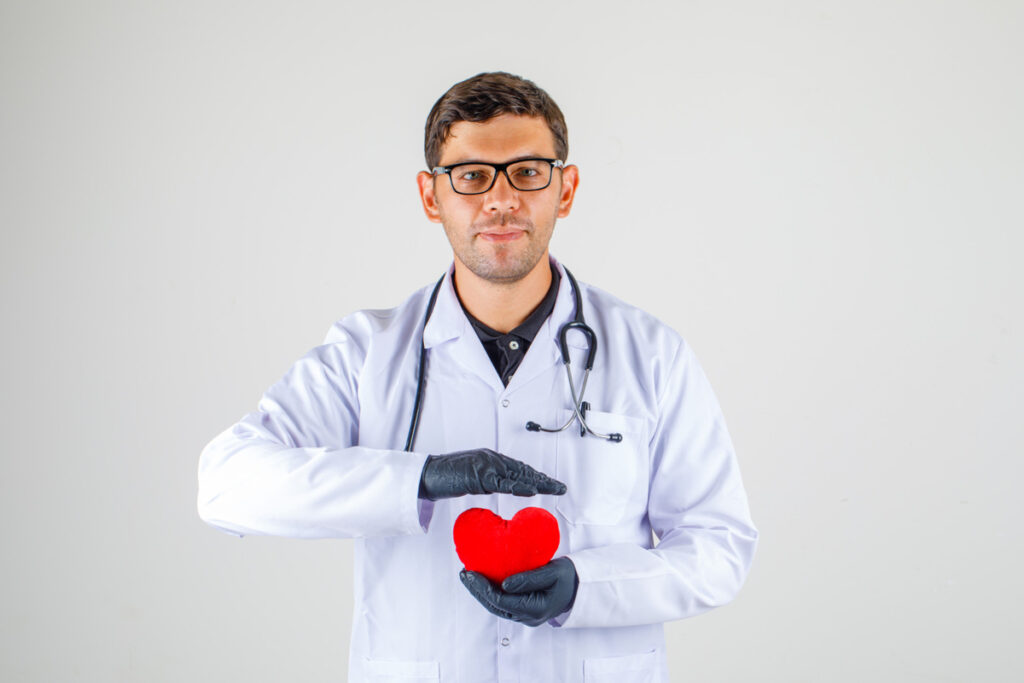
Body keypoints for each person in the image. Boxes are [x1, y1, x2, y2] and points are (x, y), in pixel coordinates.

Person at [197, 71, 758, 683]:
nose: (500, 199)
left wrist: (588, 586)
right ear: (430, 195)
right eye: (471, 176)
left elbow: (719, 547)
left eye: (527, 172)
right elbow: (227, 484)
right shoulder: (365, 354)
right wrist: (422, 478)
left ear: (565, 189)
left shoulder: (651, 354)